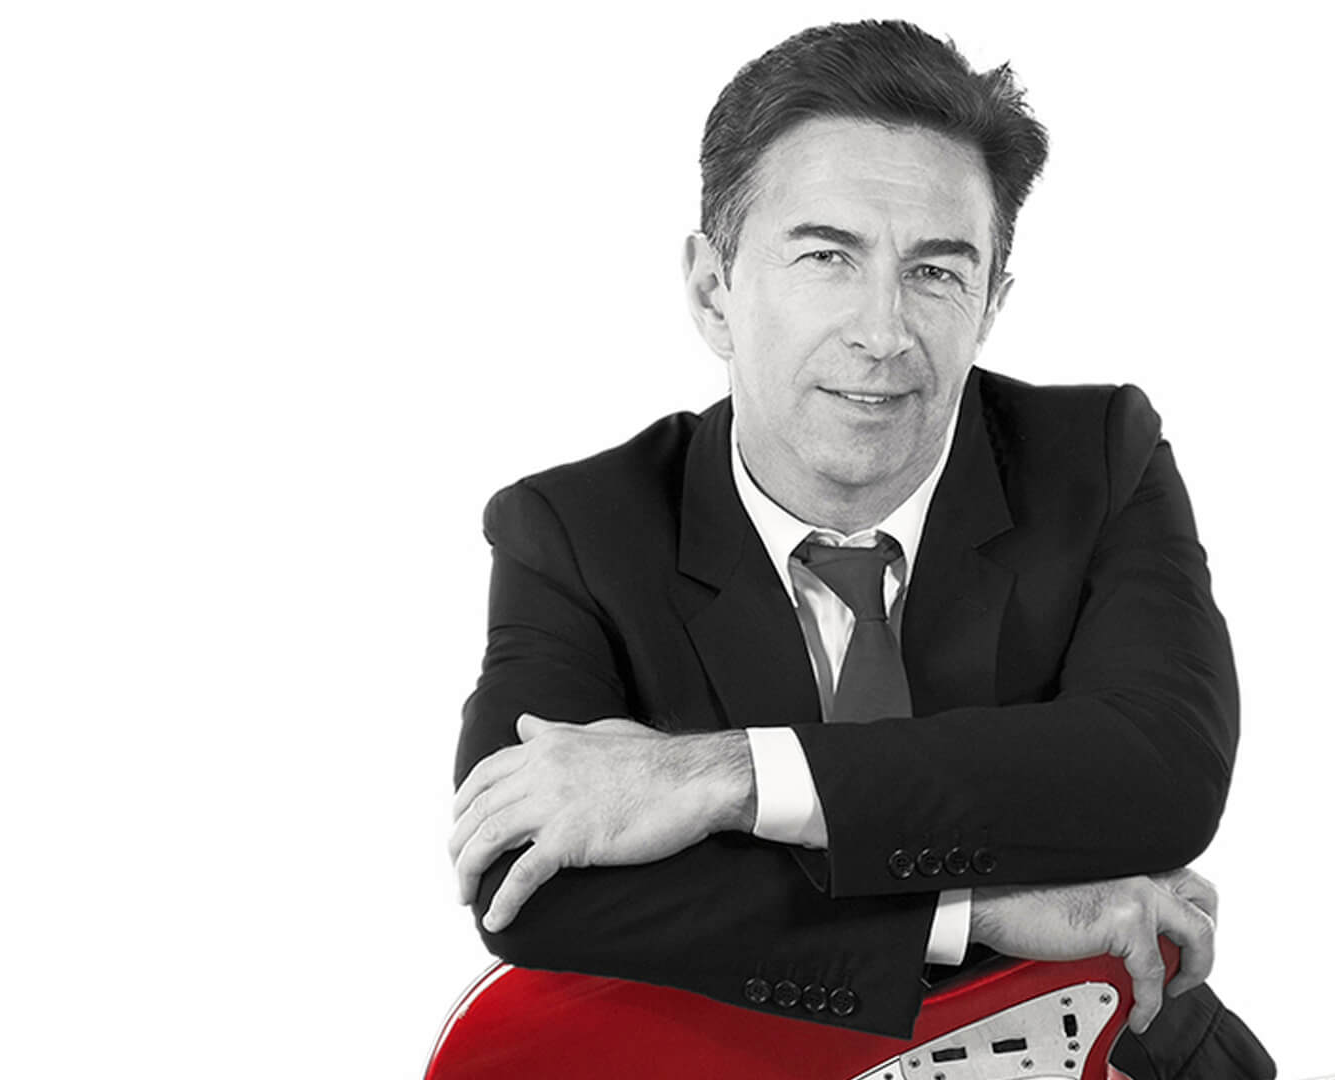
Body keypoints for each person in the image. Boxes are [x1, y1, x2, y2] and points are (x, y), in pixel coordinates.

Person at [446, 20, 1272, 1080]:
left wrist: (724, 778)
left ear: (991, 302)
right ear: (712, 291)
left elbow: (1158, 771)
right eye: (827, 258)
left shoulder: (1098, 457)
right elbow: (522, 873)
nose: (882, 332)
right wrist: (969, 910)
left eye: (935, 272)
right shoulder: (577, 530)